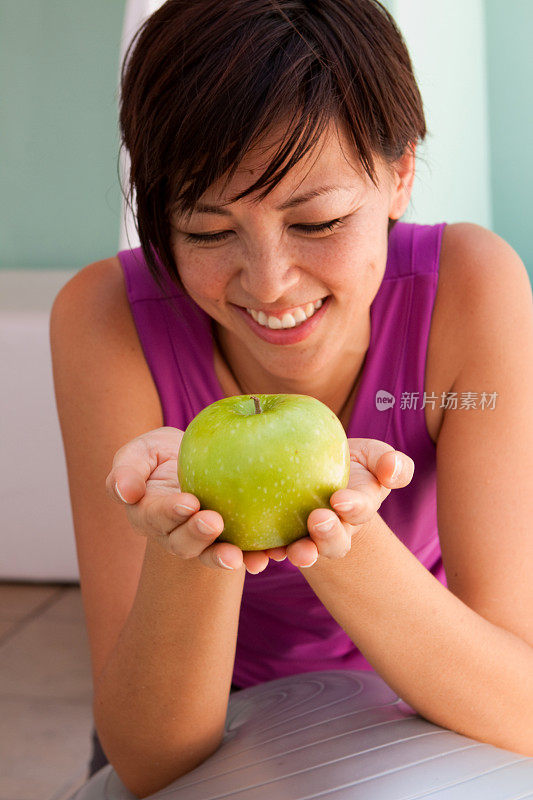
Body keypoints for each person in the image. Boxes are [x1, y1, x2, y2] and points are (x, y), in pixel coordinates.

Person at [50, 1, 533, 797]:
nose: (268, 282)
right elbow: (148, 759)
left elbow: (518, 706)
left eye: (317, 221)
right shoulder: (105, 320)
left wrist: (341, 530)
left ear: (400, 173)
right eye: (206, 232)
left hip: (431, 692)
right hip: (212, 717)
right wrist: (192, 541)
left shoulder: (470, 289)